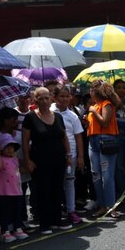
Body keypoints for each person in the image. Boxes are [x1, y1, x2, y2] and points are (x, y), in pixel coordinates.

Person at [22, 86, 72, 234]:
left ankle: (57, 219)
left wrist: (69, 155)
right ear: (35, 100)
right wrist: (27, 160)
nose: (44, 101)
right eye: (40, 98)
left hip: (58, 159)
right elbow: (25, 141)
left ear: (51, 99)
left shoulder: (58, 117)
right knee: (42, 191)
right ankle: (45, 223)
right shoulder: (30, 117)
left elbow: (64, 137)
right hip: (39, 161)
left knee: (57, 189)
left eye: (46, 98)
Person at [86, 80, 121, 218]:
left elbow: (105, 122)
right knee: (96, 175)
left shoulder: (106, 105)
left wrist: (94, 112)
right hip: (92, 141)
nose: (89, 92)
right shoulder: (95, 105)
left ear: (96, 91)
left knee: (107, 176)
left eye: (91, 90)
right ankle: (102, 205)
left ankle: (111, 207)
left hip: (106, 140)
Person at [52, 85, 85, 224]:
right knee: (55, 184)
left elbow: (78, 137)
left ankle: (71, 210)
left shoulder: (73, 116)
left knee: (70, 182)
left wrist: (81, 157)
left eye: (67, 96)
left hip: (71, 154)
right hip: (54, 153)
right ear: (55, 98)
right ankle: (55, 212)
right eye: (61, 96)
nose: (65, 99)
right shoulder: (49, 112)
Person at [0, 133, 28, 243]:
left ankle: (18, 229)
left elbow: (19, 170)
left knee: (17, 211)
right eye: (6, 147)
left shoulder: (15, 159)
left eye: (11, 147)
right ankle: (5, 231)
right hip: (4, 191)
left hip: (16, 190)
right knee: (5, 212)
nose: (9, 149)